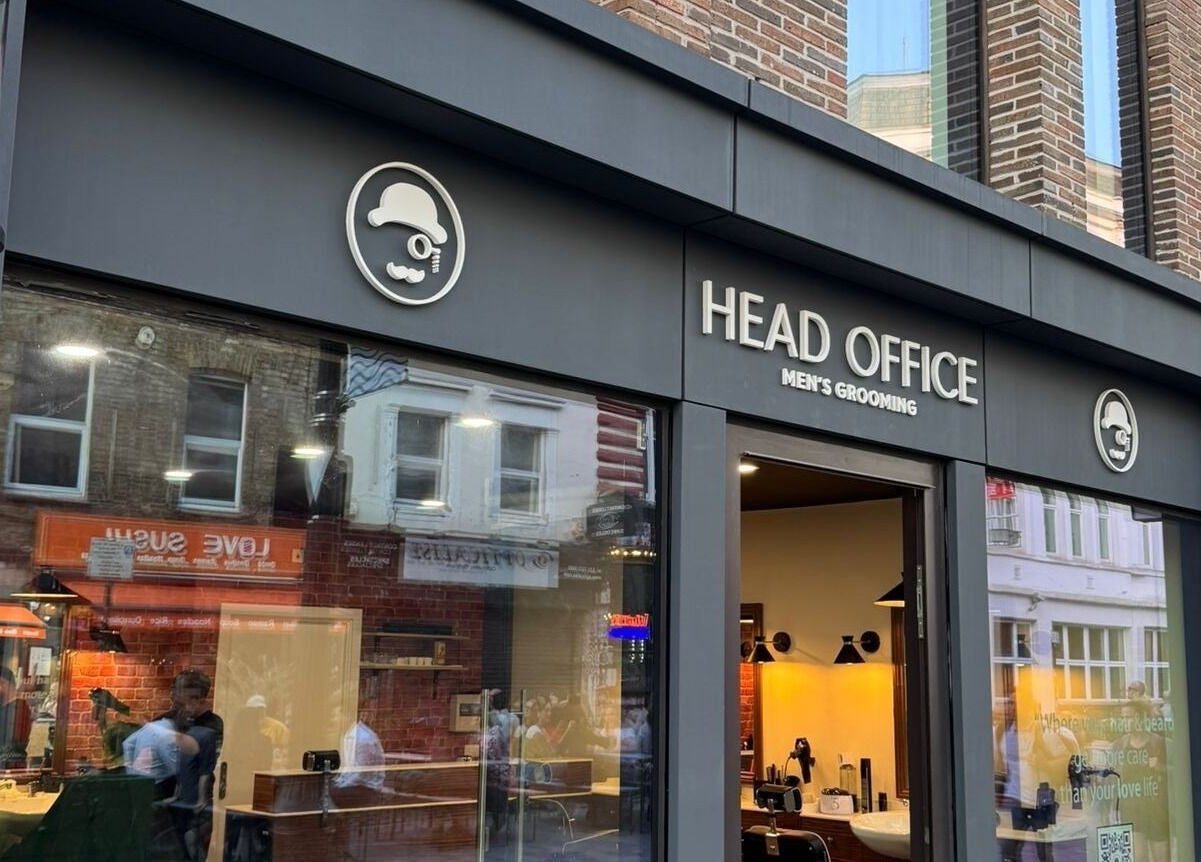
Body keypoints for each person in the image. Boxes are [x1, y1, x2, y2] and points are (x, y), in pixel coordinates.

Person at [124, 669, 223, 861]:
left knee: (190, 849)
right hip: (168, 798)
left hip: (192, 800)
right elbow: (136, 745)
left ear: (199, 698)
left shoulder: (211, 725)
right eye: (177, 695)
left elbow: (202, 765)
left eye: (184, 695)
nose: (178, 700)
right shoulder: (167, 719)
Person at [0, 668, 32, 770]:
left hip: (9, 766)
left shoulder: (17, 708)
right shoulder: (9, 708)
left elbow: (15, 744)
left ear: (3, 683)